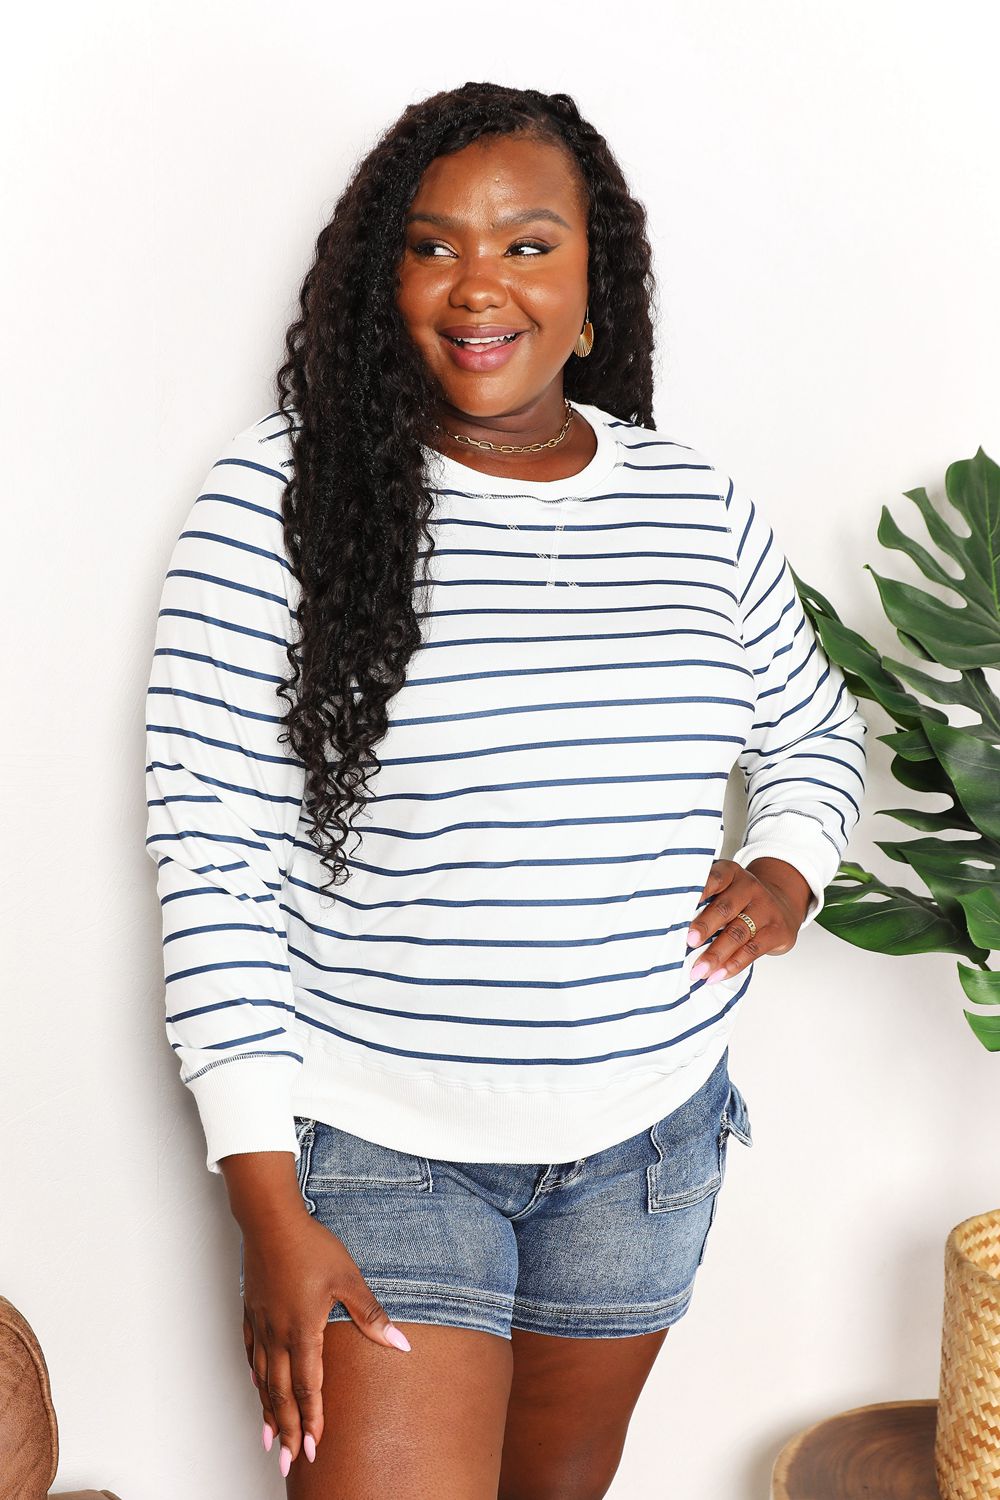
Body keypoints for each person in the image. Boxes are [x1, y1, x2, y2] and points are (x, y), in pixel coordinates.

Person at [143, 81, 868, 1497]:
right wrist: (265, 1202)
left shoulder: (695, 503)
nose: (480, 285)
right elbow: (210, 860)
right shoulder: (275, 501)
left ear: (594, 283)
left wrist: (787, 871)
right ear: (384, 282)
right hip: (380, 1149)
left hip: (647, 1149)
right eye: (433, 247)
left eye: (529, 245)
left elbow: (813, 731)